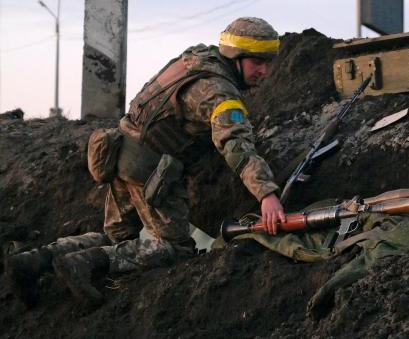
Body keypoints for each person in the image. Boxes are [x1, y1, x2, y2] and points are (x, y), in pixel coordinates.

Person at [5, 17, 286, 306]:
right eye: (256, 62)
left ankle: (33, 261)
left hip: (118, 150)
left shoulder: (193, 60)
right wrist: (266, 194)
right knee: (174, 247)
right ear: (235, 57)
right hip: (150, 171)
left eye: (267, 62)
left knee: (118, 238)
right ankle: (84, 263)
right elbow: (236, 146)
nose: (263, 71)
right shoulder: (219, 94)